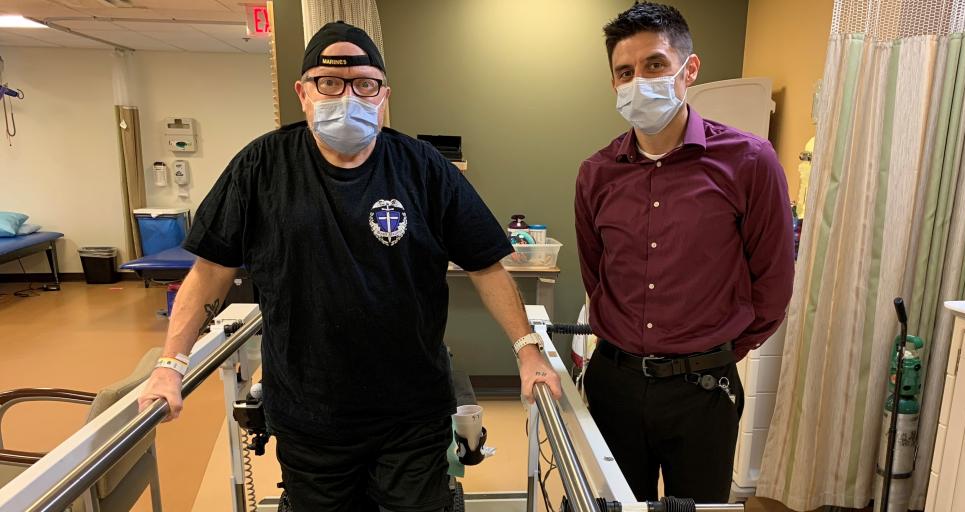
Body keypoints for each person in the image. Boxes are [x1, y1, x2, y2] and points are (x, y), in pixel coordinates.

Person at [137, 21, 561, 512]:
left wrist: (528, 352)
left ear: (383, 95)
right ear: (302, 92)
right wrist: (171, 365)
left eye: (364, 84)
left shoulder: (423, 167)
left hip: (411, 412)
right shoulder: (262, 166)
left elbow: (487, 267)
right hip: (309, 414)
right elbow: (211, 270)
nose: (347, 96)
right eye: (329, 83)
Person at [575, 2, 795, 503]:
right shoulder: (597, 173)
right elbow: (598, 275)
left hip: (703, 391)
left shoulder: (749, 162)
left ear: (688, 68)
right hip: (616, 383)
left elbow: (774, 286)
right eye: (624, 72)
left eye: (654, 64)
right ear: (613, 83)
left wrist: (717, 353)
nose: (639, 81)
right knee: (615, 504)